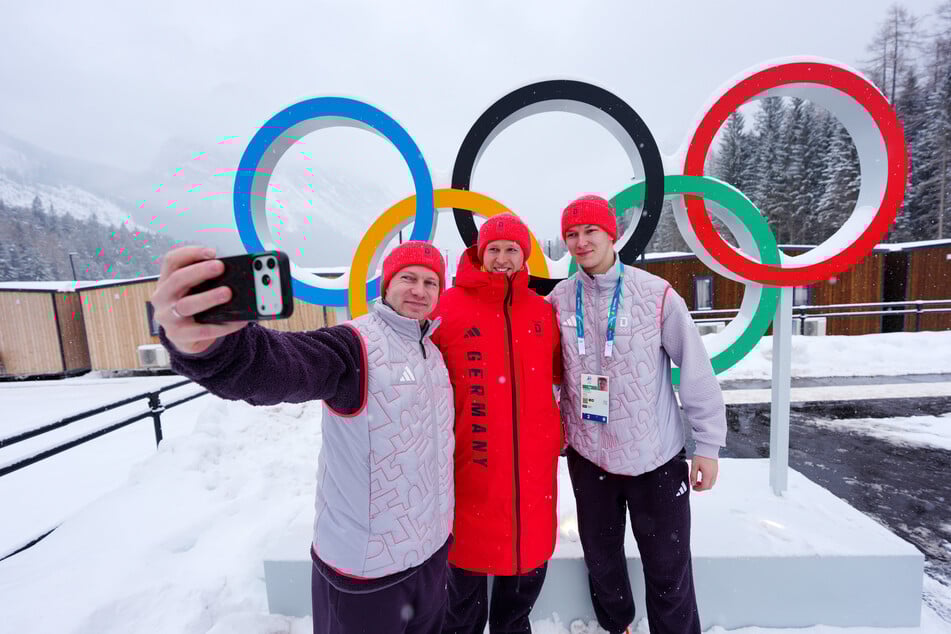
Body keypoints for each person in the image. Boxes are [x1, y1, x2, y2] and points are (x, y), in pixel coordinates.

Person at [151, 241, 455, 634]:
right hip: (366, 574)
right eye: (408, 278)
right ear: (385, 284)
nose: (420, 290)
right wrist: (217, 349)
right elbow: (285, 365)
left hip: (430, 560)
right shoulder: (353, 345)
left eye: (431, 282)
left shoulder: (433, 353)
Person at [548, 195, 727, 634]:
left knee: (668, 568)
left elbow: (695, 369)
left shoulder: (655, 294)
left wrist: (708, 445)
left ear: (612, 234)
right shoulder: (558, 300)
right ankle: (618, 627)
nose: (581, 242)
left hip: (655, 459)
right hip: (589, 459)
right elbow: (548, 373)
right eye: (572, 234)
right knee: (602, 560)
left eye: (590, 231)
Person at [429, 214, 562, 634]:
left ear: (524, 256)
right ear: (480, 254)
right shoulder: (447, 307)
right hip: (471, 462)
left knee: (526, 569)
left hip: (534, 465)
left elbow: (562, 373)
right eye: (494, 250)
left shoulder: (542, 310)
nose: (502, 258)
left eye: (511, 250)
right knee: (463, 582)